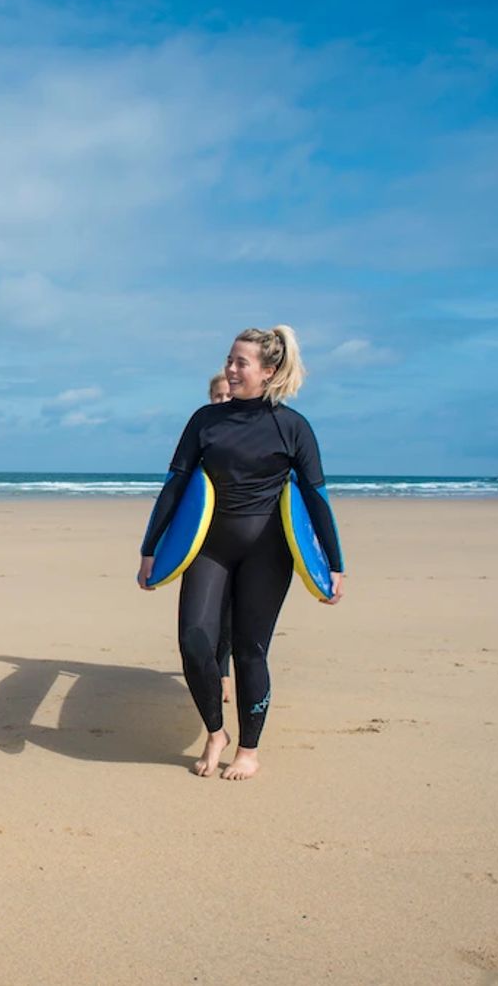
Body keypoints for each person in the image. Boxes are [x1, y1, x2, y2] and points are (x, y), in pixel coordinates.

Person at [138, 326, 344, 781]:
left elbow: (315, 496)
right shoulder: (204, 421)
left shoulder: (292, 427)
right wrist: (150, 548)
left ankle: (248, 749)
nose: (230, 369)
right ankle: (216, 732)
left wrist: (334, 563)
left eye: (240, 363)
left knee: (251, 651)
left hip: (267, 552)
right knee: (194, 641)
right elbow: (175, 486)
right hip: (210, 546)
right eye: (230, 360)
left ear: (268, 372)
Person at [206, 373, 235, 705]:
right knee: (211, 610)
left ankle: (223, 671)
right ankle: (216, 669)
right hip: (208, 536)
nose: (223, 401)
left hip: (242, 537)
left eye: (228, 396)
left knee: (229, 611)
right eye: (217, 396)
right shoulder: (205, 433)